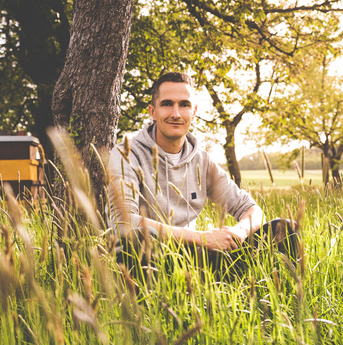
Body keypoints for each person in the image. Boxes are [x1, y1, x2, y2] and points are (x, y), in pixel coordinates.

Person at [107, 72, 298, 266]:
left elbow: (251, 209)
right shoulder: (126, 154)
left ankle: (275, 292)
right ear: (153, 111)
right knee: (140, 239)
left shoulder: (201, 160)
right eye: (167, 104)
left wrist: (237, 233)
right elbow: (123, 222)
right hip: (151, 259)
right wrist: (202, 238)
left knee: (285, 228)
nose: (176, 114)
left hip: (196, 261)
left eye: (184, 104)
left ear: (194, 111)